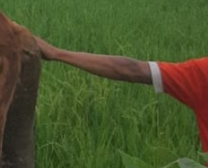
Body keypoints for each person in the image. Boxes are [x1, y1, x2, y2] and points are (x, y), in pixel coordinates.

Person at [34, 36, 208, 151]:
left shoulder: (203, 73)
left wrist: (57, 53)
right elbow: (130, 70)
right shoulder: (202, 73)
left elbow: (132, 70)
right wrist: (56, 53)